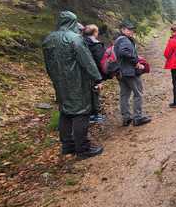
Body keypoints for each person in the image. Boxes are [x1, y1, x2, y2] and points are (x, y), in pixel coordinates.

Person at [43, 11, 104, 158]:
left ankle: (67, 146)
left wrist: (55, 79)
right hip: (77, 82)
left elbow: (48, 64)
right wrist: (97, 78)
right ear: (73, 22)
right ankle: (82, 149)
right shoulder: (75, 39)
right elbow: (87, 61)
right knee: (81, 113)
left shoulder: (48, 40)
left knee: (65, 111)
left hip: (60, 82)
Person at [114, 20, 151, 126]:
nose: (131, 31)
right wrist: (136, 63)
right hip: (130, 72)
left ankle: (126, 118)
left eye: (132, 29)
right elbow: (124, 52)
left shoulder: (118, 40)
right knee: (138, 94)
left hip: (121, 72)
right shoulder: (124, 40)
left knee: (124, 95)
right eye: (129, 29)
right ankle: (137, 118)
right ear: (123, 30)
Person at [82, 24, 106, 124]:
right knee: (95, 92)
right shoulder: (95, 44)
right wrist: (101, 76)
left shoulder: (80, 42)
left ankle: (88, 114)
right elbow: (100, 60)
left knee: (86, 93)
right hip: (94, 72)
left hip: (82, 73)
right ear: (95, 33)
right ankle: (94, 115)